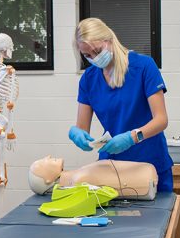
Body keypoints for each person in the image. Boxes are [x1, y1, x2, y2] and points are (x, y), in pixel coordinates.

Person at [67, 17, 174, 192]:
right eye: (87, 55)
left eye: (97, 51)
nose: (94, 58)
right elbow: (82, 127)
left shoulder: (144, 66)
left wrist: (132, 137)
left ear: (109, 40)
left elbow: (161, 120)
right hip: (110, 167)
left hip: (150, 163)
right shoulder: (88, 79)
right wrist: (77, 134)